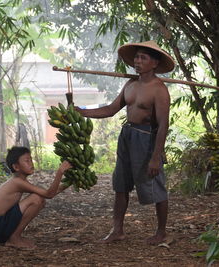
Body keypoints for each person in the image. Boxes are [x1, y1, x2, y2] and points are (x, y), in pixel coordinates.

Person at [75, 40, 175, 245]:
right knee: (120, 185)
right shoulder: (130, 84)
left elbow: (163, 125)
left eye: (143, 58)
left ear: (154, 63)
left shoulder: (159, 90)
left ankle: (162, 232)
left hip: (147, 138)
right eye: (136, 57)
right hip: (127, 135)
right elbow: (111, 109)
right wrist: (83, 112)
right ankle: (117, 230)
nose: (138, 61)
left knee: (155, 184)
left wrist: (156, 157)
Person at [0, 146, 72, 248]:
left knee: (40, 199)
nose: (31, 163)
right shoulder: (16, 182)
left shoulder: (20, 181)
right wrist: (60, 172)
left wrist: (68, 184)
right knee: (36, 199)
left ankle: (14, 237)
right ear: (16, 167)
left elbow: (49, 193)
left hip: (1, 224)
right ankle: (14, 238)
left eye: (31, 160)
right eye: (27, 161)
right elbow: (49, 194)